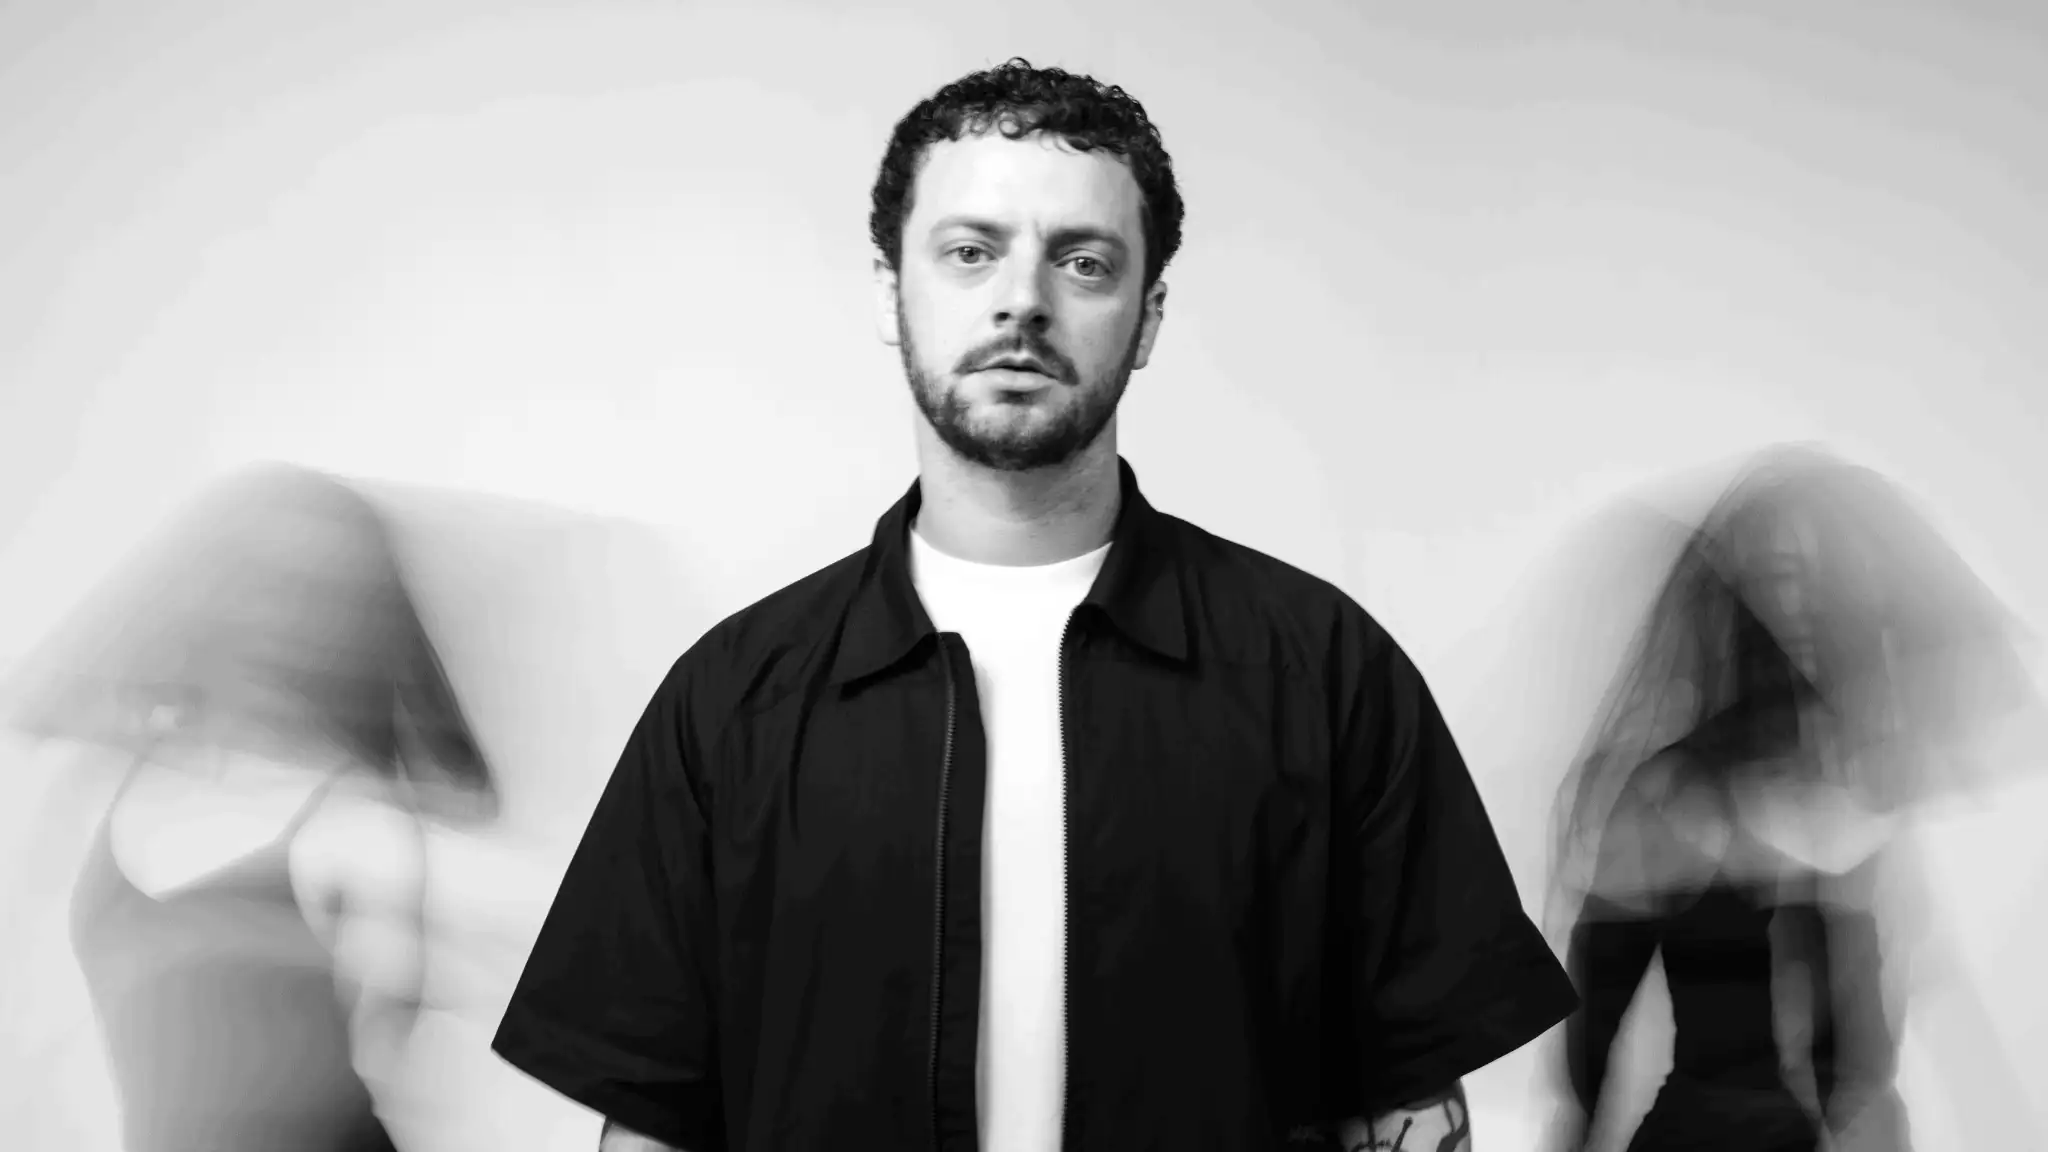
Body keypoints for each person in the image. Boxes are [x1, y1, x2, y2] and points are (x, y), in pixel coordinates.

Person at [491, 58, 1577, 1151]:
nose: (1023, 300)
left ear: (1147, 319)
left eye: (1083, 261)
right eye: (970, 252)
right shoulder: (733, 700)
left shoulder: (1323, 671)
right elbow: (656, 1116)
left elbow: (1404, 1099)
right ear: (890, 293)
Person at [1543, 444, 2041, 1152]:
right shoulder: (1667, 798)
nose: (1800, 606)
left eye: (1817, 579)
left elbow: (1915, 1001)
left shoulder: (1868, 784)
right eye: (1779, 577)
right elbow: (1594, 1024)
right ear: (1736, 598)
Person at [2, 463, 498, 1151]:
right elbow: (44, 1028)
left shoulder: (360, 827)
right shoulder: (101, 788)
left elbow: (391, 1048)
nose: (280, 628)